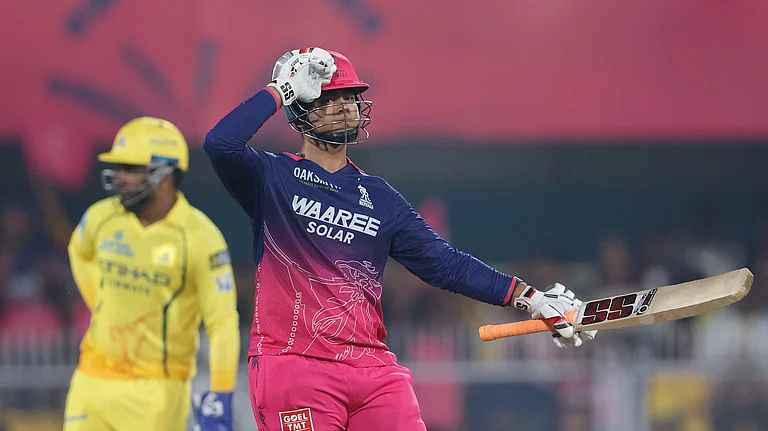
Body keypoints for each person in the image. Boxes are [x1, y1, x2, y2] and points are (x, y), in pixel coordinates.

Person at [204, 47, 596, 431]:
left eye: (351, 97)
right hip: (295, 365)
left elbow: (445, 264)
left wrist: (532, 298)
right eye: (328, 98)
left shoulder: (380, 197)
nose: (345, 107)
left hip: (373, 372)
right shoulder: (270, 178)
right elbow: (220, 144)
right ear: (300, 108)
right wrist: (278, 91)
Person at [63, 117, 240, 431]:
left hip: (157, 391)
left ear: (166, 174)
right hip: (91, 379)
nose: (119, 179)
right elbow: (79, 250)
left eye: (131, 169)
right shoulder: (102, 217)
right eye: (118, 168)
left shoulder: (200, 238)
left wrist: (222, 393)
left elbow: (222, 323)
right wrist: (102, 302)